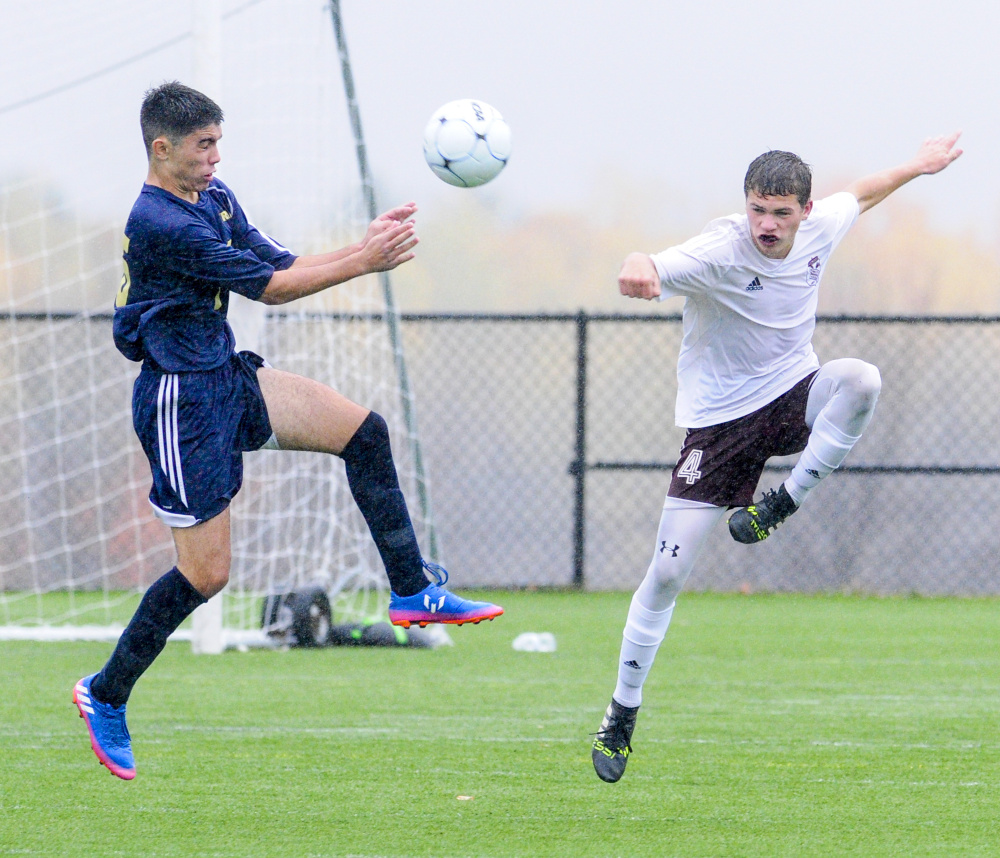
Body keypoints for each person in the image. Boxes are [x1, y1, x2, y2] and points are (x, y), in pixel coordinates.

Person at [73, 81, 503, 781]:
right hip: (180, 403)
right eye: (203, 145)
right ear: (162, 149)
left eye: (218, 142)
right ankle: (105, 692)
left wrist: (358, 246)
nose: (216, 156)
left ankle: (411, 590)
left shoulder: (213, 197)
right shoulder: (159, 221)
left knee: (364, 432)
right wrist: (363, 266)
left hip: (224, 376)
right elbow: (268, 292)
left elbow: (279, 264)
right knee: (206, 574)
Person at [591, 133, 963, 783]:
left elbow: (867, 192)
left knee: (862, 379)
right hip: (719, 426)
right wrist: (636, 263)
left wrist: (920, 165)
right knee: (668, 573)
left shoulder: (824, 228)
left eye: (781, 213)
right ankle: (621, 714)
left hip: (791, 395)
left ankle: (782, 502)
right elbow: (653, 259)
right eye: (758, 209)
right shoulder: (720, 247)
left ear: (805, 211)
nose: (766, 224)